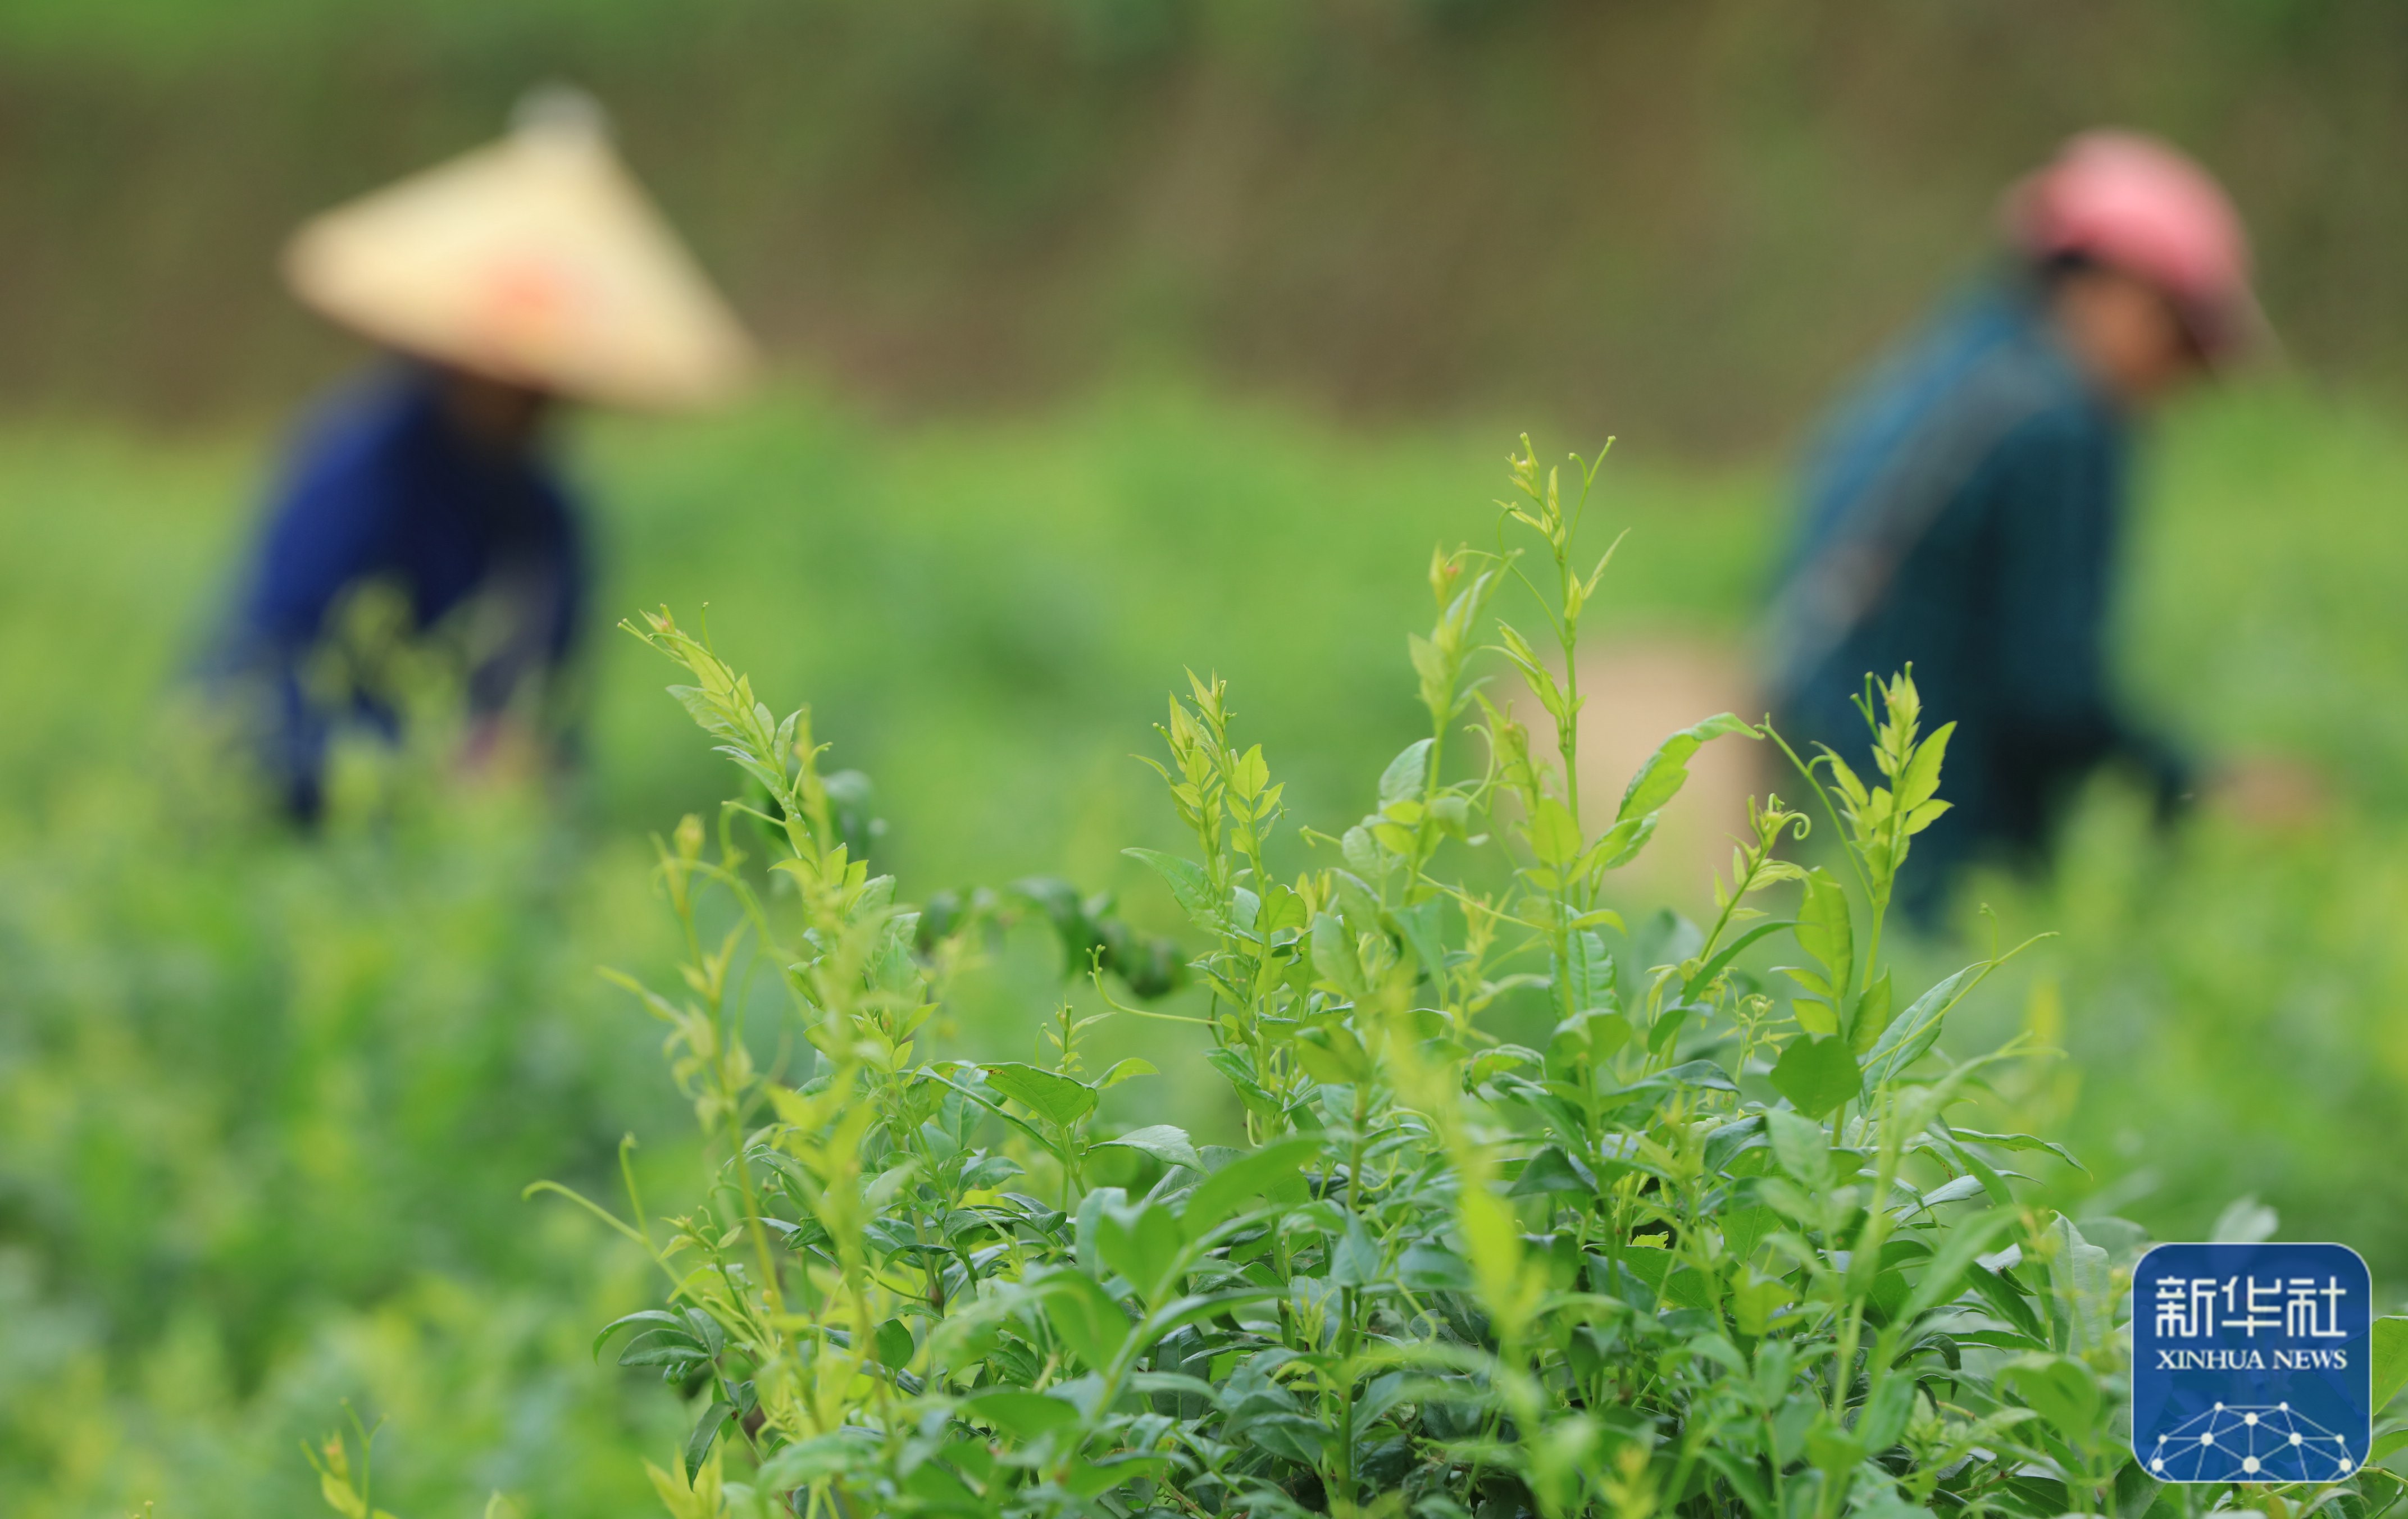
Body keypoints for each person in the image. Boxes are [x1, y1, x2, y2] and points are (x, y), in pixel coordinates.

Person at [216, 88, 754, 821]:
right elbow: (265, 689)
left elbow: (551, 719)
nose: (529, 391)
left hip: (452, 858)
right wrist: (427, 763)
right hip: (282, 822)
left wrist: (523, 773)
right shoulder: (355, 473)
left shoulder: (547, 520)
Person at [1764, 130, 2261, 911]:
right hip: (1937, 848)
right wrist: (2201, 790)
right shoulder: (2064, 424)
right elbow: (2054, 694)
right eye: (2181, 337)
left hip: (1820, 800)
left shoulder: (1950, 367)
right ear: (2113, 292)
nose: (2178, 382)